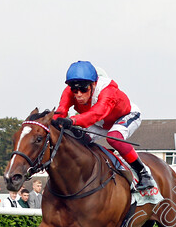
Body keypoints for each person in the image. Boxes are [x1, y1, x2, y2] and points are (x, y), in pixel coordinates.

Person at [53, 61, 154, 191]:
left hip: (124, 116)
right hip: (100, 122)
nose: (78, 94)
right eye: (74, 90)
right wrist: (54, 121)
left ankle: (144, 173)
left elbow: (96, 113)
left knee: (113, 138)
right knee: (78, 140)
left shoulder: (108, 91)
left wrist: (72, 121)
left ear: (94, 84)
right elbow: (61, 110)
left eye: (83, 89)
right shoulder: (70, 92)